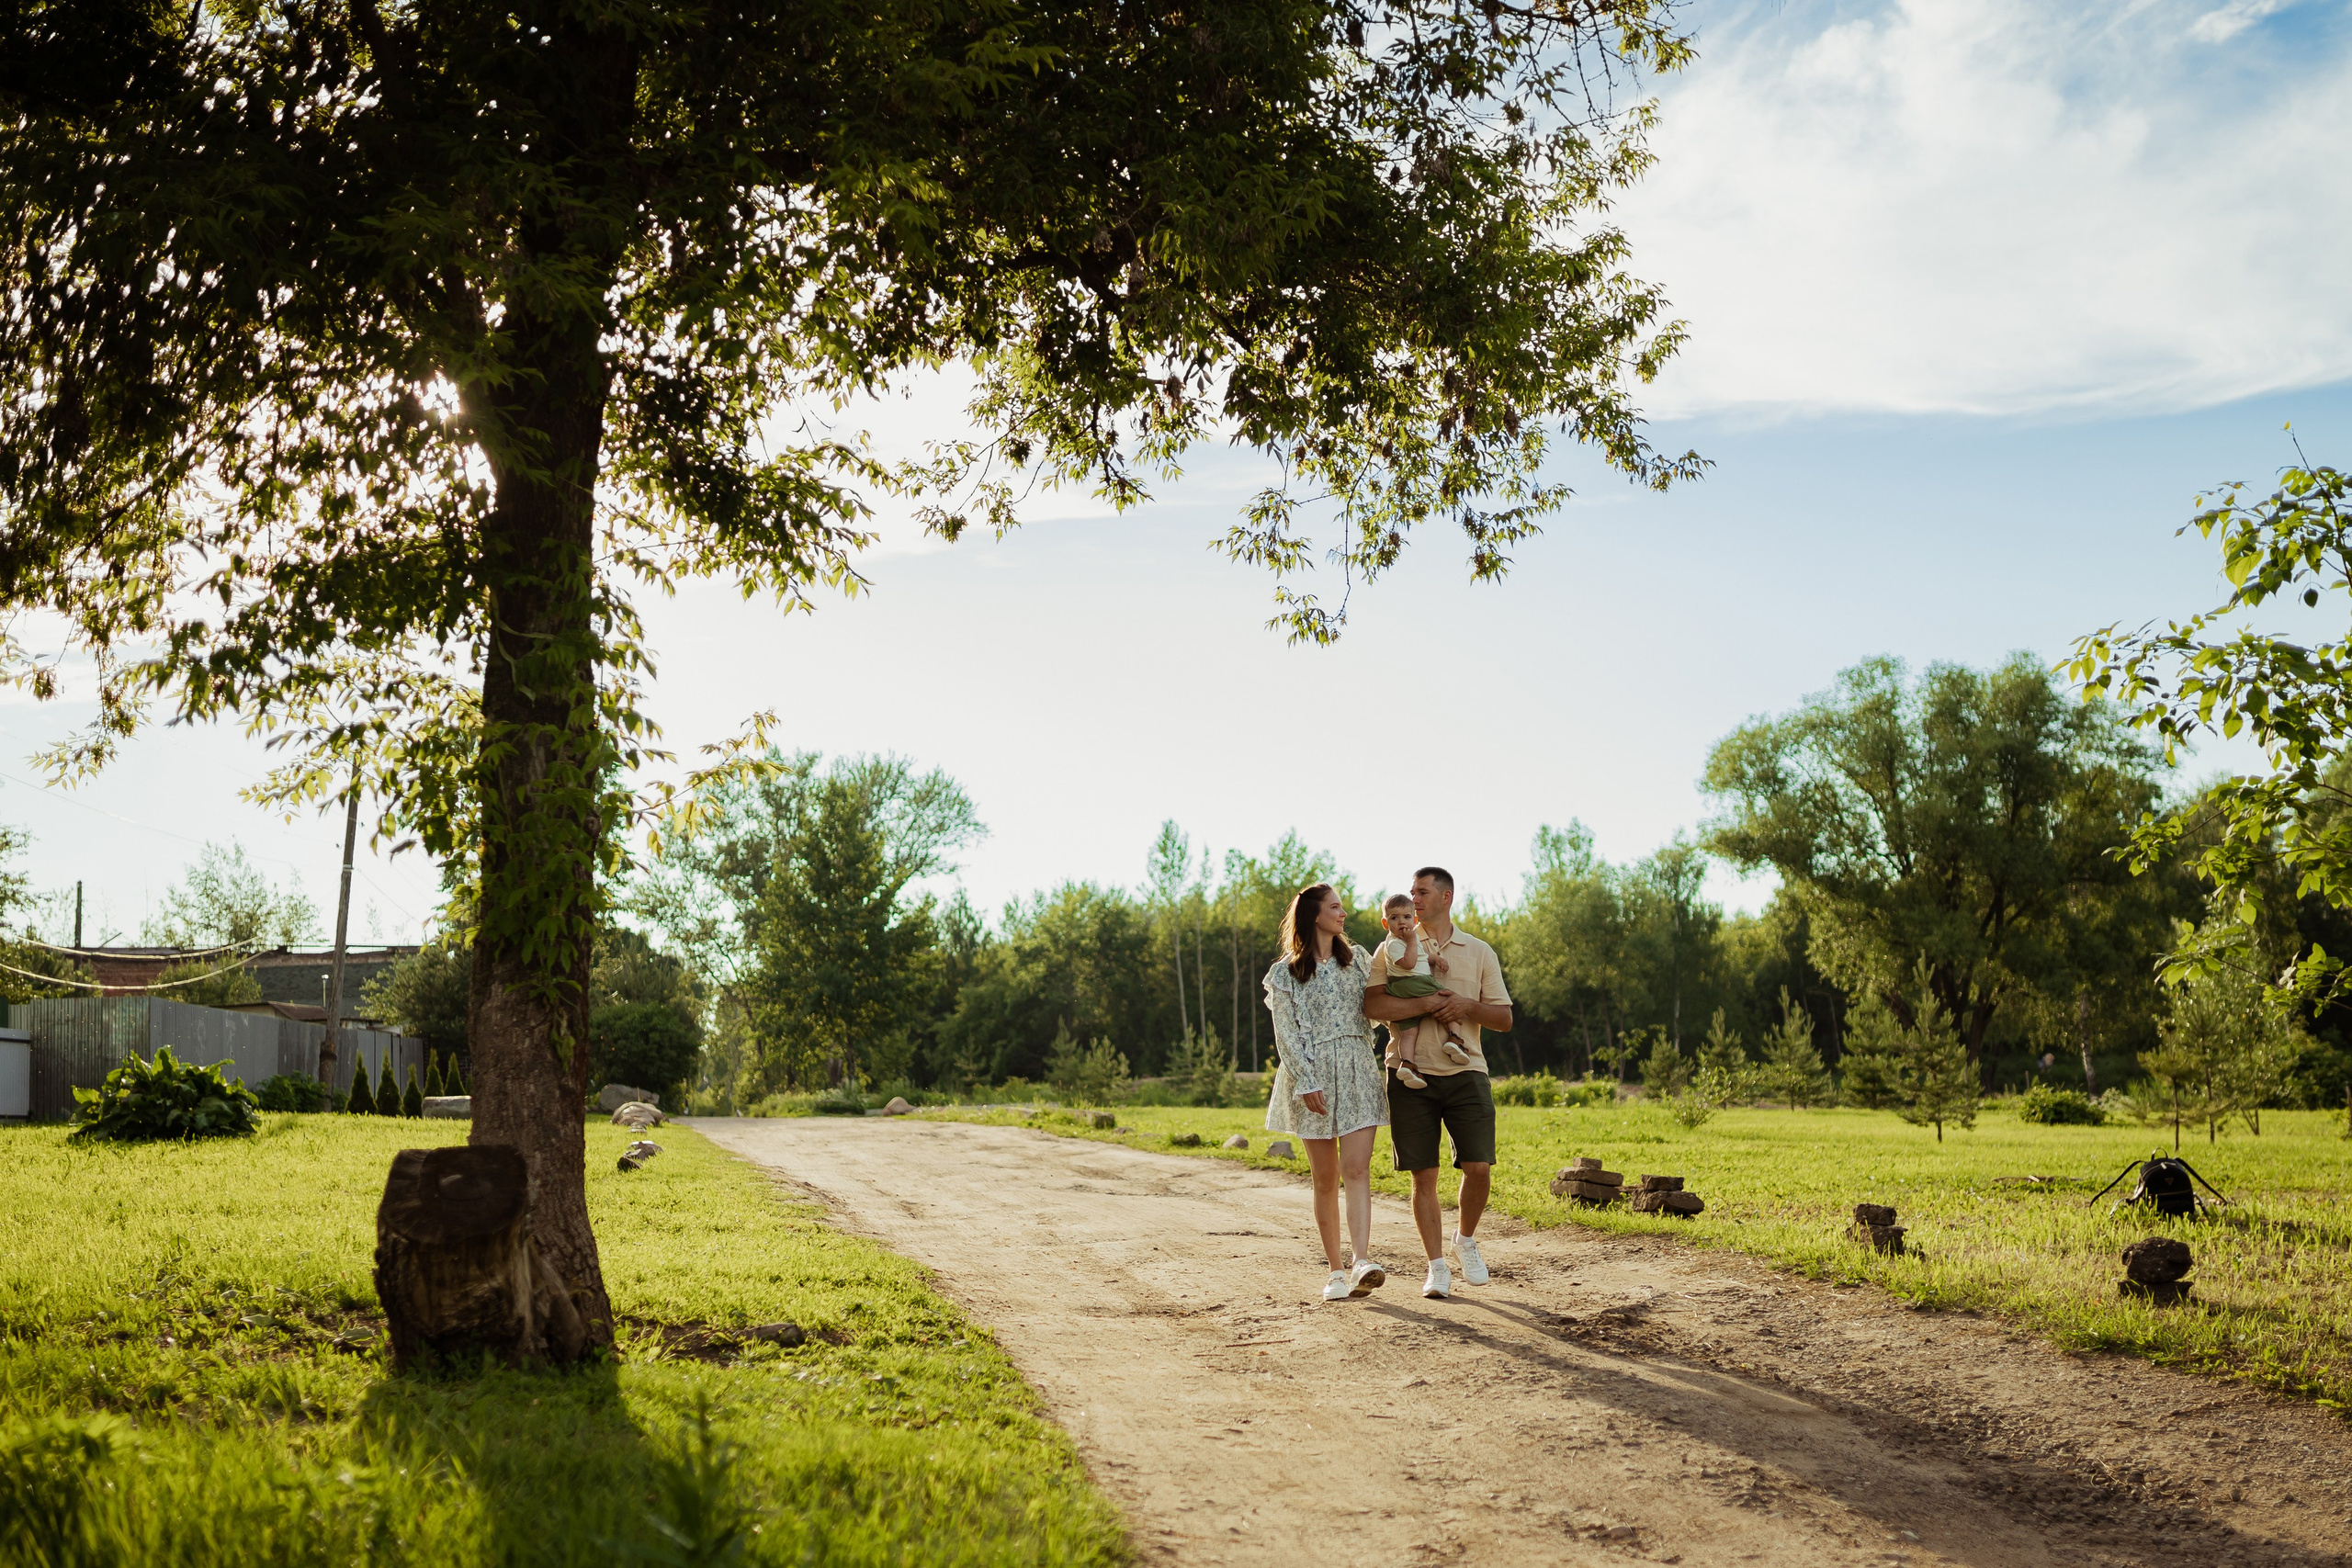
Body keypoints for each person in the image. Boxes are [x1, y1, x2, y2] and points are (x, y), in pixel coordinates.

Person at [1362, 866, 1513, 1300]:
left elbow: (1503, 1018)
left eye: (1422, 892)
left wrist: (1465, 1005)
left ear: (1446, 897)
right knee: (1422, 1175)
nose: (1414, 899)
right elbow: (1372, 1003)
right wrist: (1427, 1002)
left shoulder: (1479, 951)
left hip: (1468, 1071)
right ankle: (1436, 1267)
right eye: (1411, 893)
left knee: (1479, 1166)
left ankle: (1465, 1240)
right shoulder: (1392, 945)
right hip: (1410, 1073)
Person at [1263, 882, 1391, 1303]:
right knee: (1325, 1178)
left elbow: (1378, 1010)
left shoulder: (1359, 962)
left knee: (1357, 1169)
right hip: (1311, 1077)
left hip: (1356, 1067)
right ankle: (1335, 1270)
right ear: (1314, 914)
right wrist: (1306, 1080)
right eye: (1336, 907)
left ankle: (1361, 1262)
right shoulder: (1286, 972)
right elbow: (1286, 1033)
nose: (1344, 914)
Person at [1375, 893, 1471, 1089]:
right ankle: (1455, 1039)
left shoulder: (1409, 940)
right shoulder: (1393, 942)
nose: (1401, 922)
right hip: (1413, 983)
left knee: (1409, 1033)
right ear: (1386, 924)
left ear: (1414, 919)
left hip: (1402, 990)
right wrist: (1411, 941)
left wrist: (1433, 959)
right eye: (1394, 918)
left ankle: (1408, 1064)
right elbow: (1410, 963)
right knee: (1450, 1001)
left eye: (1406, 917)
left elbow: (1419, 956)